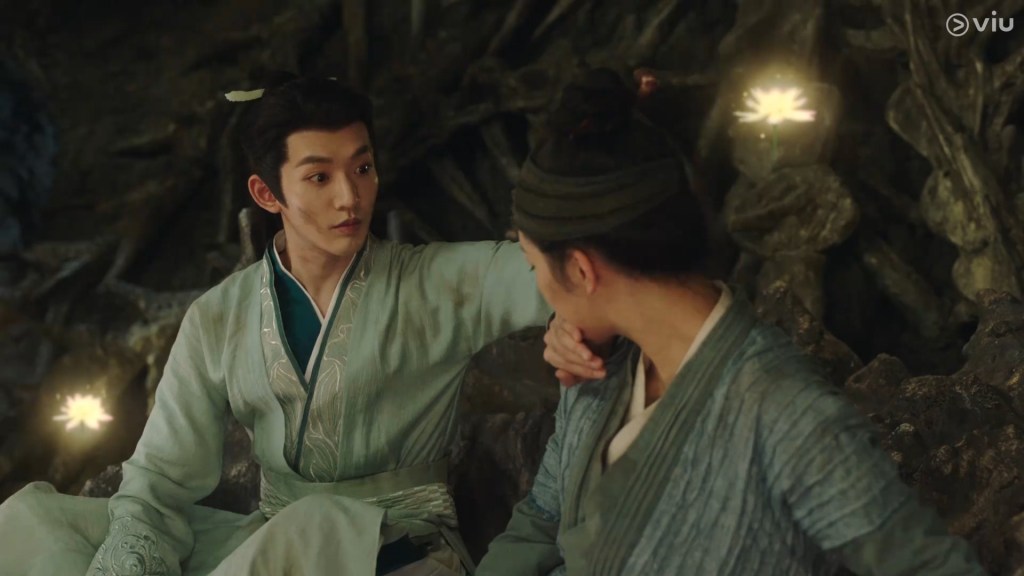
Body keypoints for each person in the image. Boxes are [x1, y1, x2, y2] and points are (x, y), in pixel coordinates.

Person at [0, 76, 604, 576]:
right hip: (273, 543)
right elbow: (160, 477)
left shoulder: (439, 281)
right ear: (267, 194)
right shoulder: (220, 315)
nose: (350, 197)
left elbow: (572, 274)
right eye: (320, 177)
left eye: (362, 167)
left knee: (315, 526)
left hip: (402, 546)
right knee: (33, 521)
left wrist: (565, 320)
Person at [476, 68, 988, 575]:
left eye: (534, 267)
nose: (541, 291)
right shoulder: (596, 369)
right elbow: (541, 518)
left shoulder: (785, 414)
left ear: (581, 270)